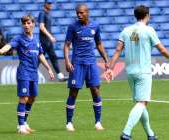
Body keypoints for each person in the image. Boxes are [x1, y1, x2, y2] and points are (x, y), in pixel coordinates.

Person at [107, 5, 169, 140]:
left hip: (130, 72)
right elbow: (162, 50)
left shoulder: (126, 30)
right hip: (144, 72)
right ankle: (126, 132)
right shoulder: (149, 30)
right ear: (147, 15)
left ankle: (150, 134)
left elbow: (118, 50)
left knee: (140, 104)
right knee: (142, 103)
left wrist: (110, 68)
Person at [0, 15, 54, 134]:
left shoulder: (36, 41)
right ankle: (21, 125)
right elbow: (10, 45)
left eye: (28, 23)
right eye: (24, 23)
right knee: (24, 98)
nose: (26, 25)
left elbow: (40, 55)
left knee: (32, 98)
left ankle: (25, 122)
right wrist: (3, 50)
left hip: (34, 73)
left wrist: (48, 68)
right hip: (24, 72)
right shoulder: (19, 38)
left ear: (33, 24)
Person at [63, 4, 109, 132]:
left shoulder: (95, 26)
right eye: (77, 13)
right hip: (77, 64)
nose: (79, 15)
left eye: (81, 13)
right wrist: (67, 61)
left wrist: (106, 59)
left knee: (95, 91)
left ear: (87, 12)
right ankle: (69, 122)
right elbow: (66, 45)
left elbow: (99, 44)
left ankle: (98, 122)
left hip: (91, 63)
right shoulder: (72, 27)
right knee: (73, 92)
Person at [38, 0, 67, 81]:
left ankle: (60, 76)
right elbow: (41, 27)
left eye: (51, 3)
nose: (50, 5)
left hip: (48, 41)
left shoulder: (48, 14)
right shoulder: (42, 13)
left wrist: (50, 37)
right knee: (39, 59)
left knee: (53, 57)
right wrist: (50, 36)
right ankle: (30, 74)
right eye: (49, 3)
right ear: (45, 4)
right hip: (44, 41)